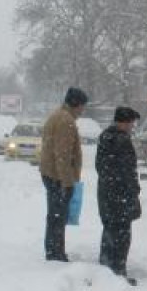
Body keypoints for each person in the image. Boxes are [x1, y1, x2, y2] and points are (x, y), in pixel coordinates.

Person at [39, 87, 88, 262]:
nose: (83, 110)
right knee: (58, 216)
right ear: (76, 104)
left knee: (55, 215)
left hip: (51, 173)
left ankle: (54, 250)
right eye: (82, 106)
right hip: (57, 177)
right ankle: (55, 253)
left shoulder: (58, 115)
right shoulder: (65, 121)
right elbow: (62, 154)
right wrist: (67, 183)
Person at [96, 106, 142, 284]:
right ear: (124, 122)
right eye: (131, 123)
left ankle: (106, 270)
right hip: (120, 197)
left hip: (106, 194)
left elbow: (101, 168)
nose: (132, 126)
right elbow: (127, 172)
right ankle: (117, 273)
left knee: (109, 231)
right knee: (121, 236)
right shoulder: (122, 140)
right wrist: (133, 191)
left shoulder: (105, 136)